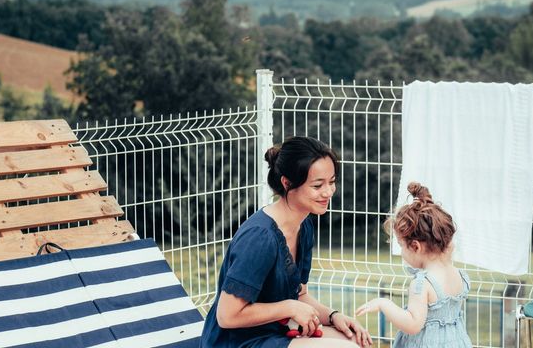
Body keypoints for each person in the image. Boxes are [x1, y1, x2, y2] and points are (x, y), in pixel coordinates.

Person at [201, 136, 373, 347]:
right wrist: (289, 308)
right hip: (237, 342)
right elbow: (227, 316)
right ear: (287, 183)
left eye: (332, 181)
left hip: (276, 333)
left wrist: (334, 316)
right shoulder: (259, 238)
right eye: (318, 185)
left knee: (355, 340)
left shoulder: (304, 224)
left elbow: (300, 296)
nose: (328, 192)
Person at [355, 182, 472, 348]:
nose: (402, 252)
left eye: (401, 246)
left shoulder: (422, 284)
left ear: (416, 246)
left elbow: (413, 324)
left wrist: (384, 304)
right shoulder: (458, 275)